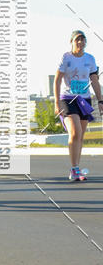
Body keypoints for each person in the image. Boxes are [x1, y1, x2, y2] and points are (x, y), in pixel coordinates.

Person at [54, 30, 102, 182]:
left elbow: (94, 81)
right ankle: (74, 169)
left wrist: (100, 101)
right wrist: (56, 103)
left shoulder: (90, 59)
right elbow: (57, 80)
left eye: (83, 40)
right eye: (77, 40)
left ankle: (76, 168)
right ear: (72, 42)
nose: (80, 43)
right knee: (75, 132)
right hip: (67, 99)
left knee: (80, 135)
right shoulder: (66, 57)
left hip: (84, 100)